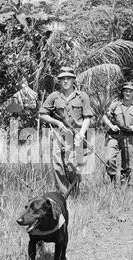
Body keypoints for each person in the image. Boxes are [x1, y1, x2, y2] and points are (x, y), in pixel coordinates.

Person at [39, 67, 93, 196]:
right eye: (63, 79)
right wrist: (56, 122)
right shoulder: (54, 96)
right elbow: (42, 114)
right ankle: (63, 195)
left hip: (76, 136)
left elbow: (87, 117)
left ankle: (74, 191)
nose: (65, 81)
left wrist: (81, 133)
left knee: (72, 165)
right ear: (60, 81)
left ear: (73, 80)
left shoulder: (82, 96)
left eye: (68, 78)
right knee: (58, 166)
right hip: (59, 135)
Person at [102, 82, 133, 185]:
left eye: (130, 91)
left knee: (127, 164)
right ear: (123, 92)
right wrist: (111, 126)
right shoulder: (115, 105)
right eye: (126, 91)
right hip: (114, 136)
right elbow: (104, 116)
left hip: (129, 137)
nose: (128, 93)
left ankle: (124, 184)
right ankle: (112, 180)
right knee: (109, 158)